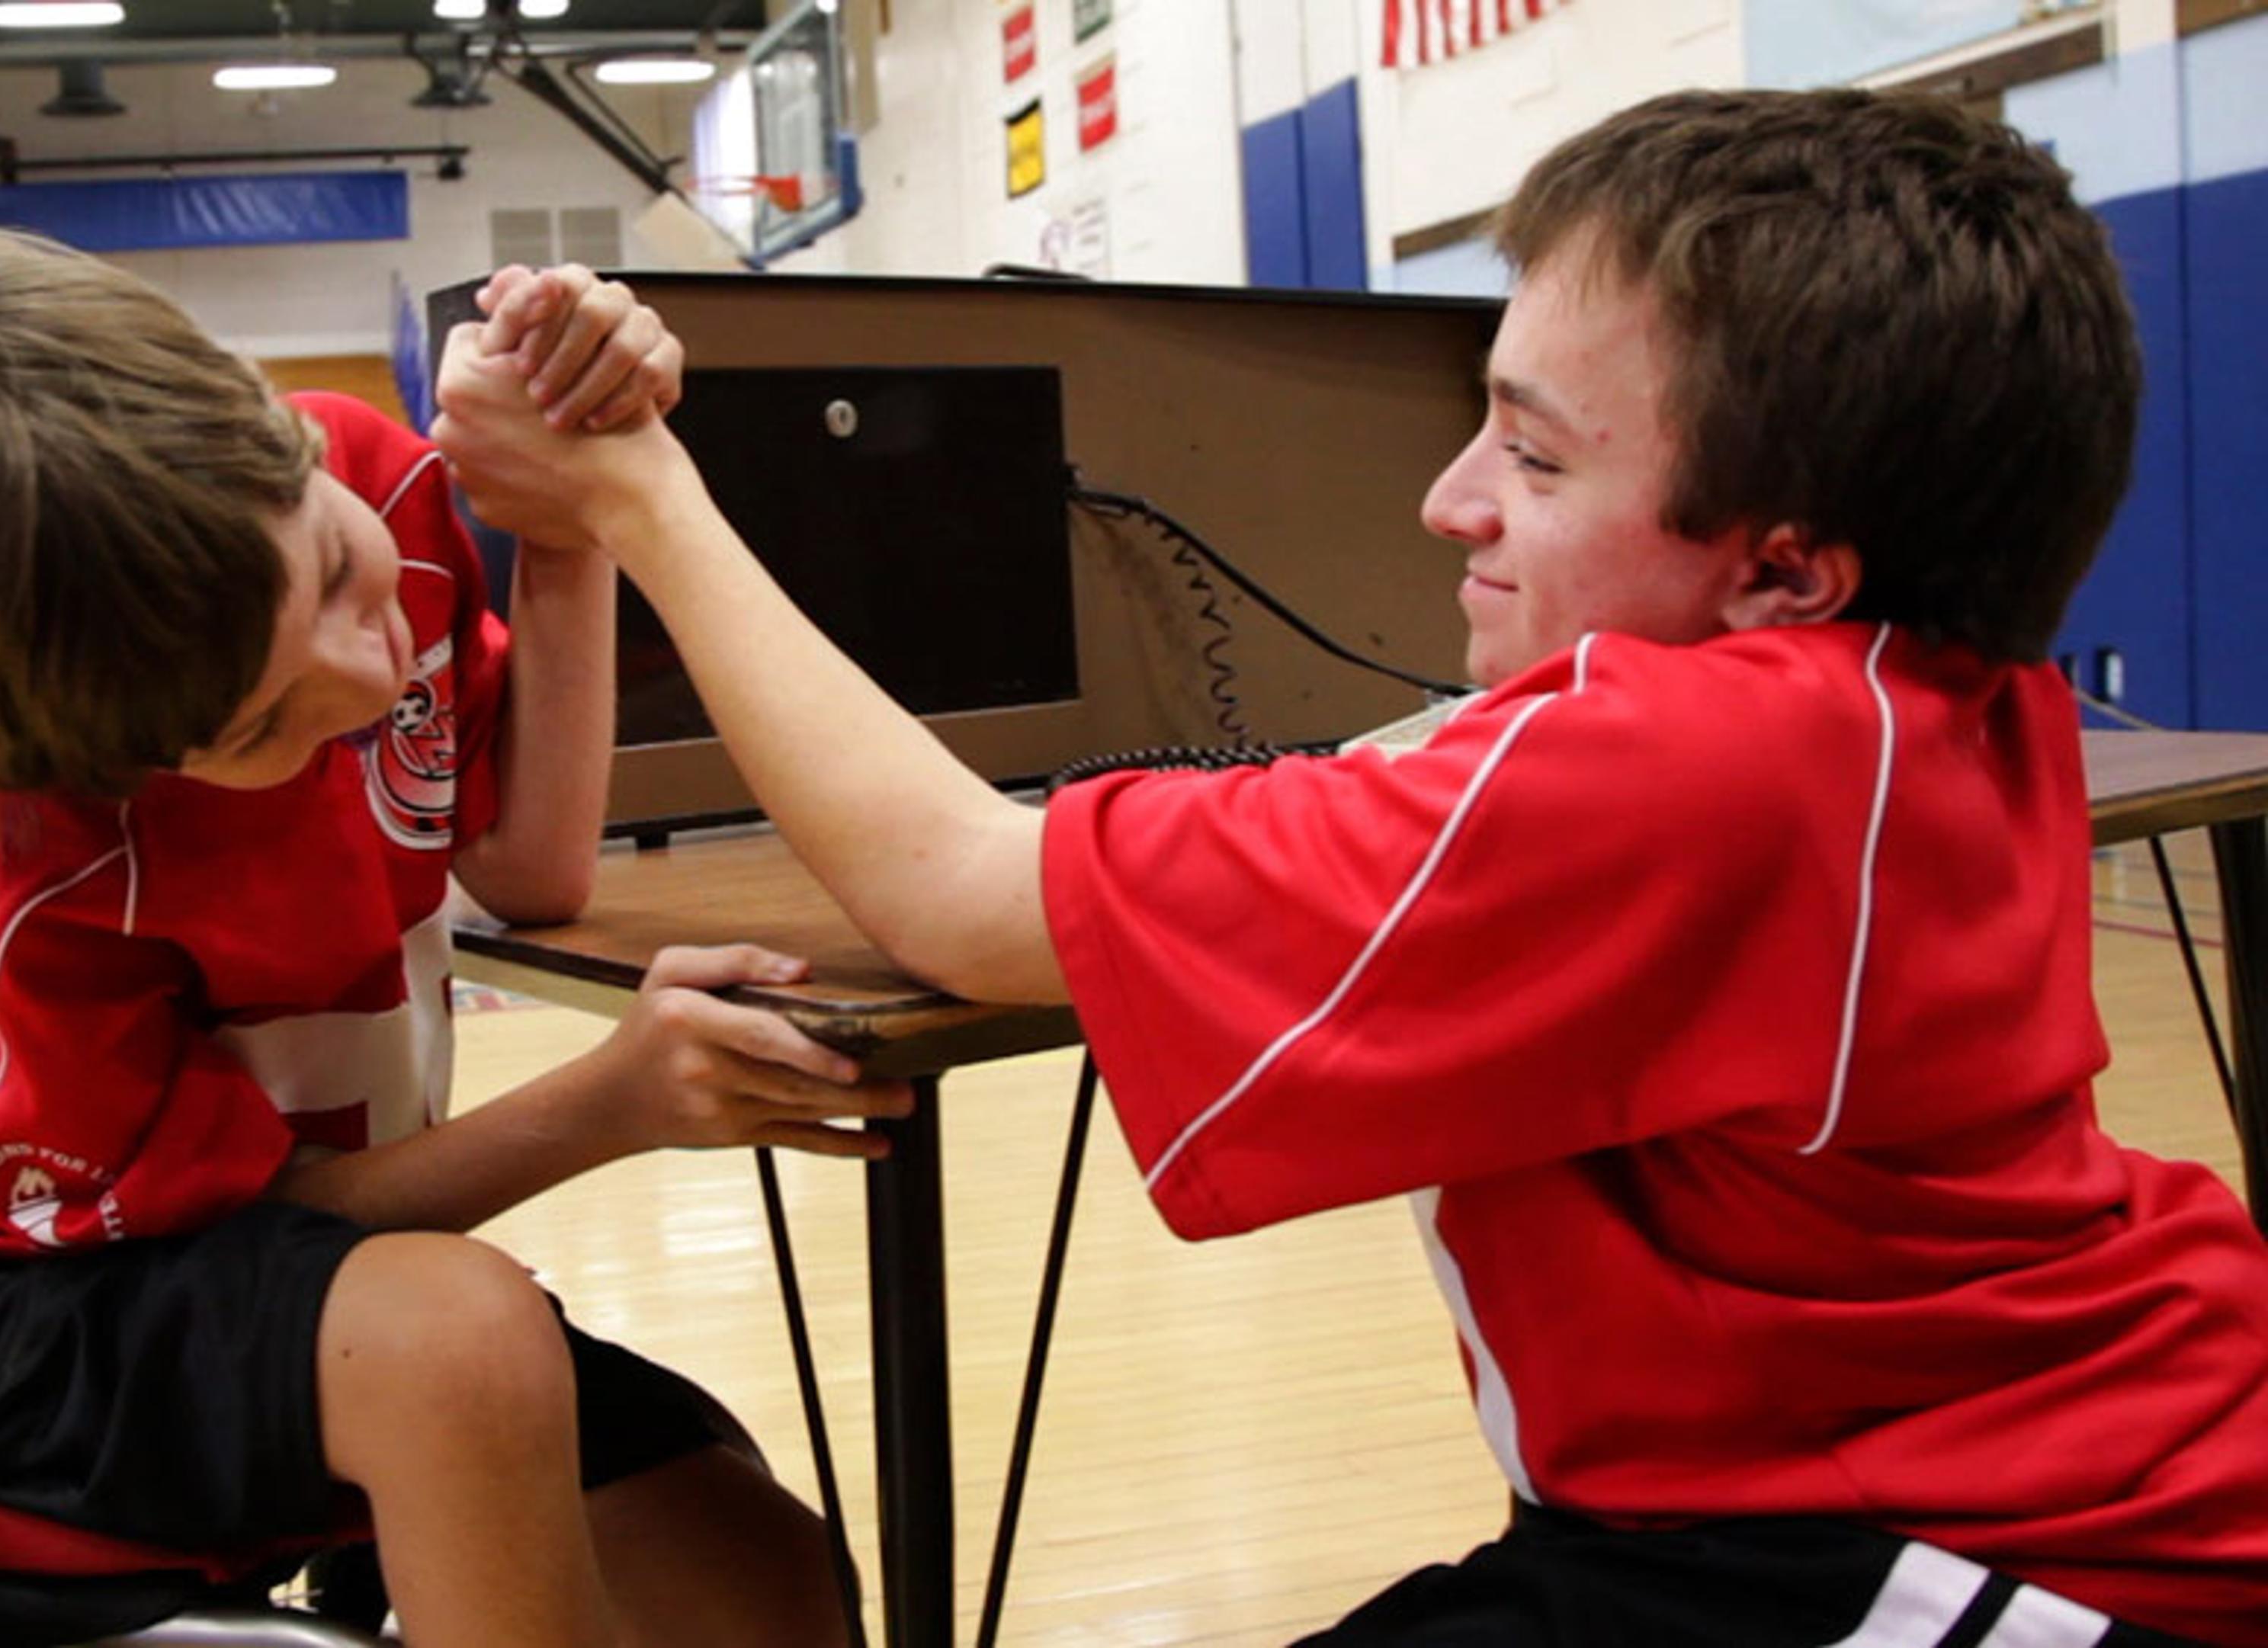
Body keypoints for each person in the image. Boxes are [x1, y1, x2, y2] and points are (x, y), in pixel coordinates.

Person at [431, 88, 2268, 1647]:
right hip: (1988, 1464)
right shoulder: (1922, 690)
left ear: (1786, 571)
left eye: (1535, 457)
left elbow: (968, 900)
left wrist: (641, 501)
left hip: (1952, 1551)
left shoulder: (1694, 763)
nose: (1450, 498)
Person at [0, 227, 897, 1648]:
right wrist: (611, 1104)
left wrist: (572, 511)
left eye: (330, 570)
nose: (366, 669)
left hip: (277, 1261)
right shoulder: (59, 886)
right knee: (454, 1345)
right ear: (101, 765)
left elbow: (534, 864)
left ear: (283, 444)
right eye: (261, 727)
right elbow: (252, 1231)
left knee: (761, 1578)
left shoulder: (378, 477)